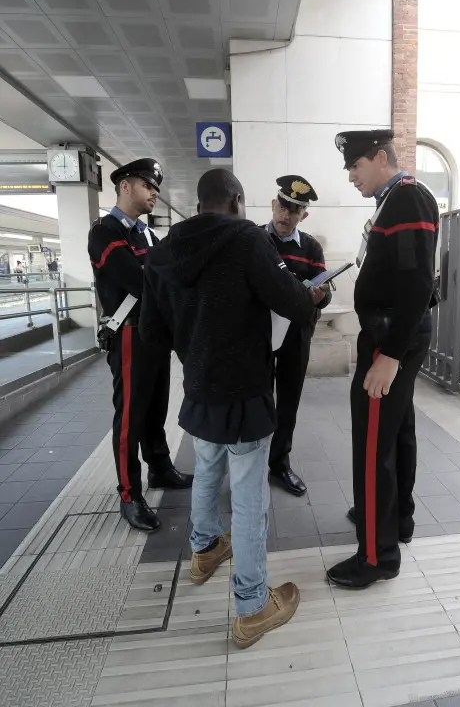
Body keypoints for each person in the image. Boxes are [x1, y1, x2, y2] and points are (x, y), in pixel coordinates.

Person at [139, 168, 325, 648]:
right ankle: (251, 606)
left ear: (200, 203)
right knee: (248, 500)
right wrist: (309, 296)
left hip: (199, 393)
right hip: (244, 395)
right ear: (238, 201)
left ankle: (203, 552)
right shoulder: (247, 241)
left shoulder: (160, 252)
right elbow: (297, 308)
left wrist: (195, 342)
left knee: (206, 470)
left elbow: (152, 335)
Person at [326, 130, 439, 590]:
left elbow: (416, 283)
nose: (350, 175)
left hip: (391, 336)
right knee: (397, 431)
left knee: (373, 443)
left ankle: (376, 556)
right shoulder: (395, 199)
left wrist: (389, 355)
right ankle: (397, 520)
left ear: (378, 156)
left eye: (354, 165)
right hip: (393, 333)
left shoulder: (406, 200)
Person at [88, 159, 193, 533]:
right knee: (130, 416)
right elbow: (137, 279)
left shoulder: (148, 236)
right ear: (125, 185)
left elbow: (172, 274)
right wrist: (163, 277)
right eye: (148, 185)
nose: (154, 193)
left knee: (154, 408)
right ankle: (129, 493)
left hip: (154, 332)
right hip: (129, 333)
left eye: (156, 187)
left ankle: (160, 468)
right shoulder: (104, 231)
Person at [264, 176, 331, 496]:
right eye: (283, 206)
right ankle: (251, 460)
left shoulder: (311, 247)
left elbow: (325, 288)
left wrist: (321, 296)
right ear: (273, 204)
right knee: (258, 398)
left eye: (295, 210)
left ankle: (279, 463)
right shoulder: (254, 240)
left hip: (295, 336)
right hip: (259, 335)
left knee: (288, 401)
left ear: (304, 215)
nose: (287, 214)